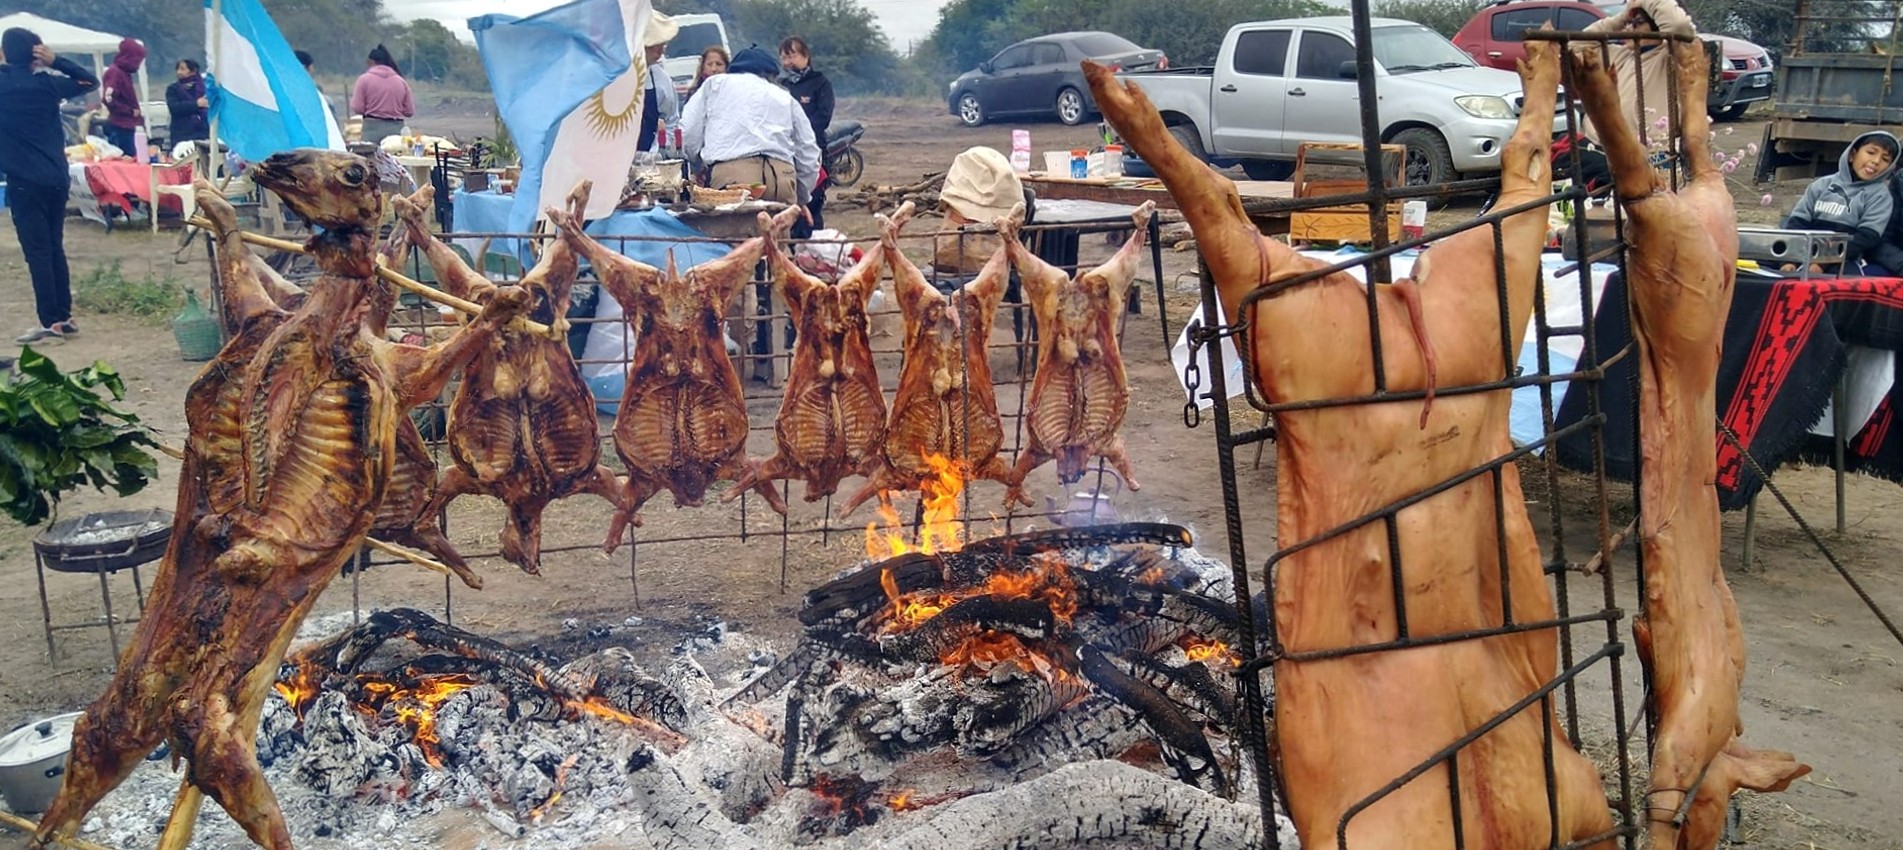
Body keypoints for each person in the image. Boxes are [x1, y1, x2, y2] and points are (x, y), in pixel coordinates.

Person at [0, 28, 98, 345]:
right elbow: (89, 83)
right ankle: (64, 317)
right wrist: (58, 61)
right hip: (56, 177)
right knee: (54, 246)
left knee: (38, 252)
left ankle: (51, 321)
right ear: (36, 54)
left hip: (24, 181)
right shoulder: (47, 84)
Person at [681, 46, 818, 209]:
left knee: (734, 233)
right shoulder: (784, 96)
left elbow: (688, 133)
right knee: (778, 232)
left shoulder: (715, 84)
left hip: (733, 177)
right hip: (780, 178)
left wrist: (697, 166)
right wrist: (801, 198)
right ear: (771, 74)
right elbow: (808, 151)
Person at [1781, 131, 1898, 275]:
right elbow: (1797, 222)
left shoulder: (1880, 196)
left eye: (1885, 159)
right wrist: (1790, 259)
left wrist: (1823, 262)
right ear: (1852, 155)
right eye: (1871, 152)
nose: (1876, 161)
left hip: (1844, 259)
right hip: (1803, 252)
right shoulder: (1822, 184)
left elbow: (1866, 237)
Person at [779, 37, 834, 234]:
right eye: (784, 57)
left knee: (812, 205)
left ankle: (814, 252)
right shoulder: (781, 85)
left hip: (813, 154)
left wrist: (800, 133)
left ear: (806, 56)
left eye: (792, 56)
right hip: (785, 155)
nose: (788, 62)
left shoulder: (820, 83)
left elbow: (824, 116)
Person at [351, 44, 414, 145]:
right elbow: (409, 112)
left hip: (371, 130)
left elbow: (358, 108)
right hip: (396, 131)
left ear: (371, 62)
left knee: (369, 159)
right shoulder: (401, 82)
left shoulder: (364, 80)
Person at [639, 12, 681, 153]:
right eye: (655, 44)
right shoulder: (613, 76)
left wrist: (655, 152)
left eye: (662, 44)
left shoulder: (660, 78)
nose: (661, 49)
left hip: (647, 162)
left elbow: (671, 120)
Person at [100, 37, 146, 156]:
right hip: (120, 126)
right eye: (137, 60)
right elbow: (108, 99)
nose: (138, 64)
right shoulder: (115, 73)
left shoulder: (124, 73)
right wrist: (129, 111)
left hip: (128, 125)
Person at [165, 59, 208, 144]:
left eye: (182, 69)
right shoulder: (173, 89)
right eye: (177, 69)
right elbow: (174, 108)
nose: (178, 72)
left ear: (193, 71)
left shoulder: (205, 87)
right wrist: (196, 104)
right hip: (182, 133)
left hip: (204, 131)